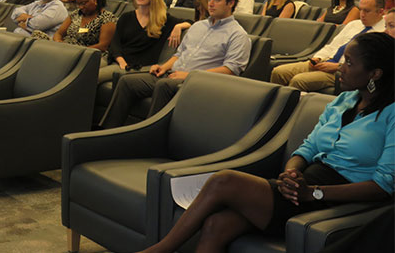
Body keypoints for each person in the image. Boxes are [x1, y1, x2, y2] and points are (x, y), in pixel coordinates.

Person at [140, 32, 394, 253]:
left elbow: (383, 186)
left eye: (349, 62)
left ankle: (161, 249)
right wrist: (290, 173)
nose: (340, 66)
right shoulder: (343, 101)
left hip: (337, 198)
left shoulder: (391, 113)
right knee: (216, 226)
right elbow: (307, 148)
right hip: (301, 188)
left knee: (224, 180)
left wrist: (313, 192)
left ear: (375, 73)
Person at [100, 0, 251, 129]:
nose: (210, 3)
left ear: (230, 3)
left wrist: (188, 75)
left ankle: (148, 136)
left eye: (217, 0)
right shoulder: (198, 26)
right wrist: (163, 67)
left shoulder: (237, 35)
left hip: (198, 82)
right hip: (173, 74)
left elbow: (230, 70)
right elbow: (179, 54)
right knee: (127, 81)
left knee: (164, 85)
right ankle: (108, 130)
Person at [271, 0, 386, 91]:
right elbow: (332, 46)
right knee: (278, 72)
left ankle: (291, 113)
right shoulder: (354, 25)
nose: (362, 14)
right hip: (324, 61)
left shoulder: (383, 34)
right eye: (360, 10)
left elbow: (365, 66)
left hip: (341, 71)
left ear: (381, 12)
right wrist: (318, 58)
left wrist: (338, 66)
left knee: (298, 80)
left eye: (367, 11)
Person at [104, 0, 185, 81]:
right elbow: (115, 43)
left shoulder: (162, 20)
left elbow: (191, 22)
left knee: (93, 76)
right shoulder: (126, 17)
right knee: (88, 69)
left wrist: (178, 27)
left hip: (138, 67)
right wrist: (121, 61)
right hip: (119, 61)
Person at [52, 0, 117, 60]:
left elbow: (102, 46)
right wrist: (59, 43)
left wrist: (76, 51)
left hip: (88, 56)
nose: (80, 7)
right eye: (78, 4)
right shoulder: (76, 14)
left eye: (83, 3)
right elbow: (58, 33)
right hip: (66, 51)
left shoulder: (107, 18)